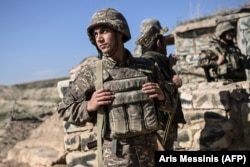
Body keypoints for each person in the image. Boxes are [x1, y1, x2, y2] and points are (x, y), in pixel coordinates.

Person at [57, 8, 173, 167]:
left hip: (150, 154)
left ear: (120, 32)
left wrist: (163, 96)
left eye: (104, 31)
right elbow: (64, 109)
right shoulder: (92, 73)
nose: (99, 39)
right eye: (96, 34)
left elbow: (172, 103)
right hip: (117, 159)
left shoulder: (147, 67)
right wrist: (89, 106)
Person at [135, 18, 186, 151]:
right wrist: (173, 84)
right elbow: (153, 92)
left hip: (161, 126)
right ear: (159, 42)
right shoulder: (150, 63)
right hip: (160, 128)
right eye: (164, 42)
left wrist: (169, 65)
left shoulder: (148, 61)